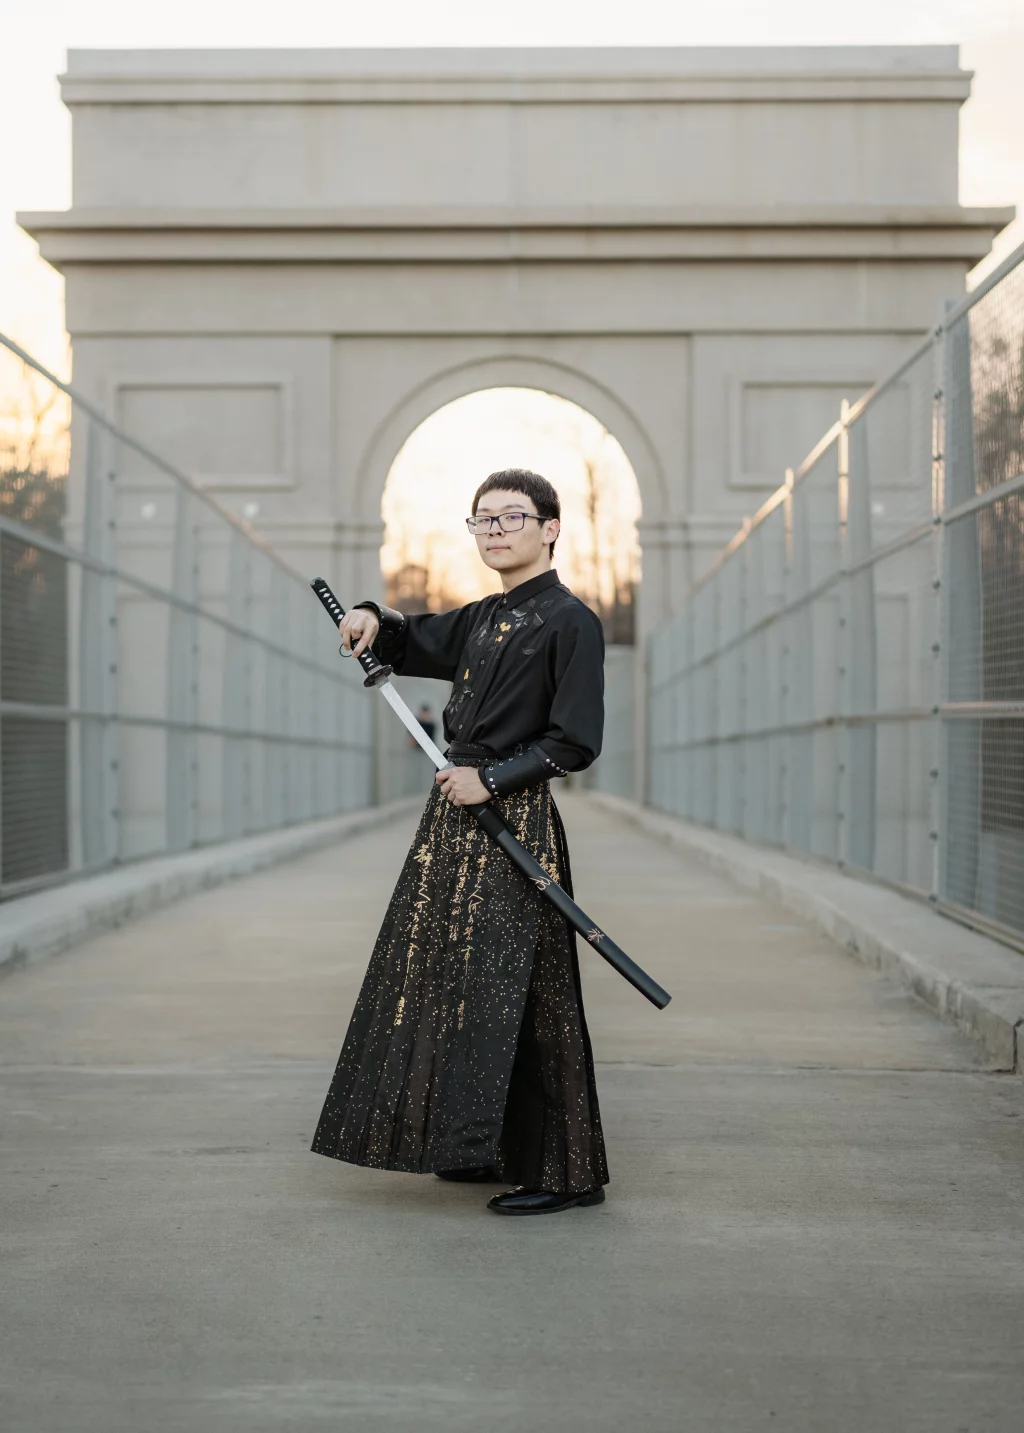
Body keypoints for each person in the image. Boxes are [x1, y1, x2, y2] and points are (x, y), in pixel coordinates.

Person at [311, 469, 608, 1215]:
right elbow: (415, 636)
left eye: (513, 516)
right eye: (483, 520)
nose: (496, 529)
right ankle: (477, 1145)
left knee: (528, 989)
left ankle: (567, 1172)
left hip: (514, 821)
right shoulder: (485, 616)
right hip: (453, 822)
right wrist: (372, 615)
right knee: (457, 982)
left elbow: (575, 741)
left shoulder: (571, 621)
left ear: (550, 528)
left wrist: (494, 779)